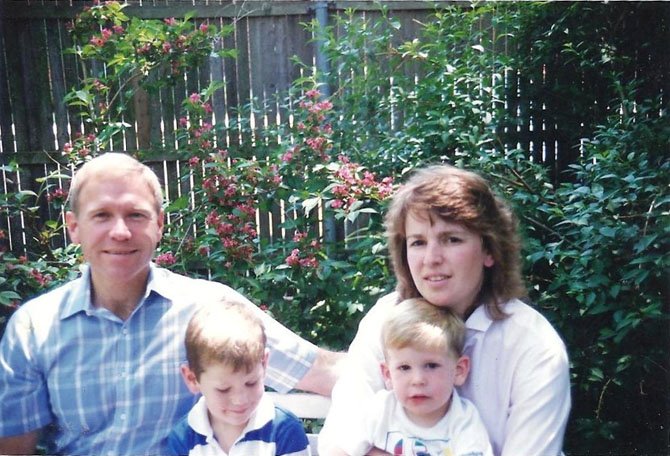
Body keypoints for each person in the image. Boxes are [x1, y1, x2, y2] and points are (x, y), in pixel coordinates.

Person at [0, 152, 341, 455]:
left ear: (159, 224)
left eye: (136, 215)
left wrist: (391, 340)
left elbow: (325, 372)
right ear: (73, 228)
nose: (120, 231)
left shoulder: (211, 310)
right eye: (101, 215)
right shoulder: (35, 328)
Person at [319, 164, 571, 456]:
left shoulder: (535, 347)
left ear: (489, 250)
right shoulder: (384, 320)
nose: (431, 258)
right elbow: (337, 442)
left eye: (452, 239)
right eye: (418, 242)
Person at [331, 297, 493, 456]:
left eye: (431, 365)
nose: (417, 380)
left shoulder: (463, 421)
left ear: (459, 370)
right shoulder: (380, 410)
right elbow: (342, 449)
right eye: (404, 368)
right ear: (388, 375)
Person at [167, 298, 310, 456]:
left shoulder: (283, 430)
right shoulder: (184, 438)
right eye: (224, 389)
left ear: (264, 363)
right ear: (192, 379)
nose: (240, 400)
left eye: (251, 383)